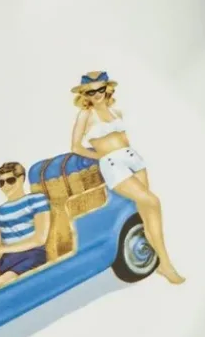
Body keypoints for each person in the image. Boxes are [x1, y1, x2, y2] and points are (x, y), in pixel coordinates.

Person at [69, 71, 183, 283]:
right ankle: (166, 264)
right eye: (91, 92)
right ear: (85, 94)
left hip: (134, 159)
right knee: (153, 201)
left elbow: (124, 139)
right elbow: (75, 146)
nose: (97, 94)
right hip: (113, 164)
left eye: (100, 89)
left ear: (107, 89)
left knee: (146, 212)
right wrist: (100, 156)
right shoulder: (85, 115)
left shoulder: (116, 112)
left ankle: (161, 263)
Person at [0, 161, 53, 292]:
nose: (5, 186)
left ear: (21, 179)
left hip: (31, 256)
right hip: (5, 259)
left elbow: (39, 239)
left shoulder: (36, 200)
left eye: (10, 180)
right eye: (1, 183)